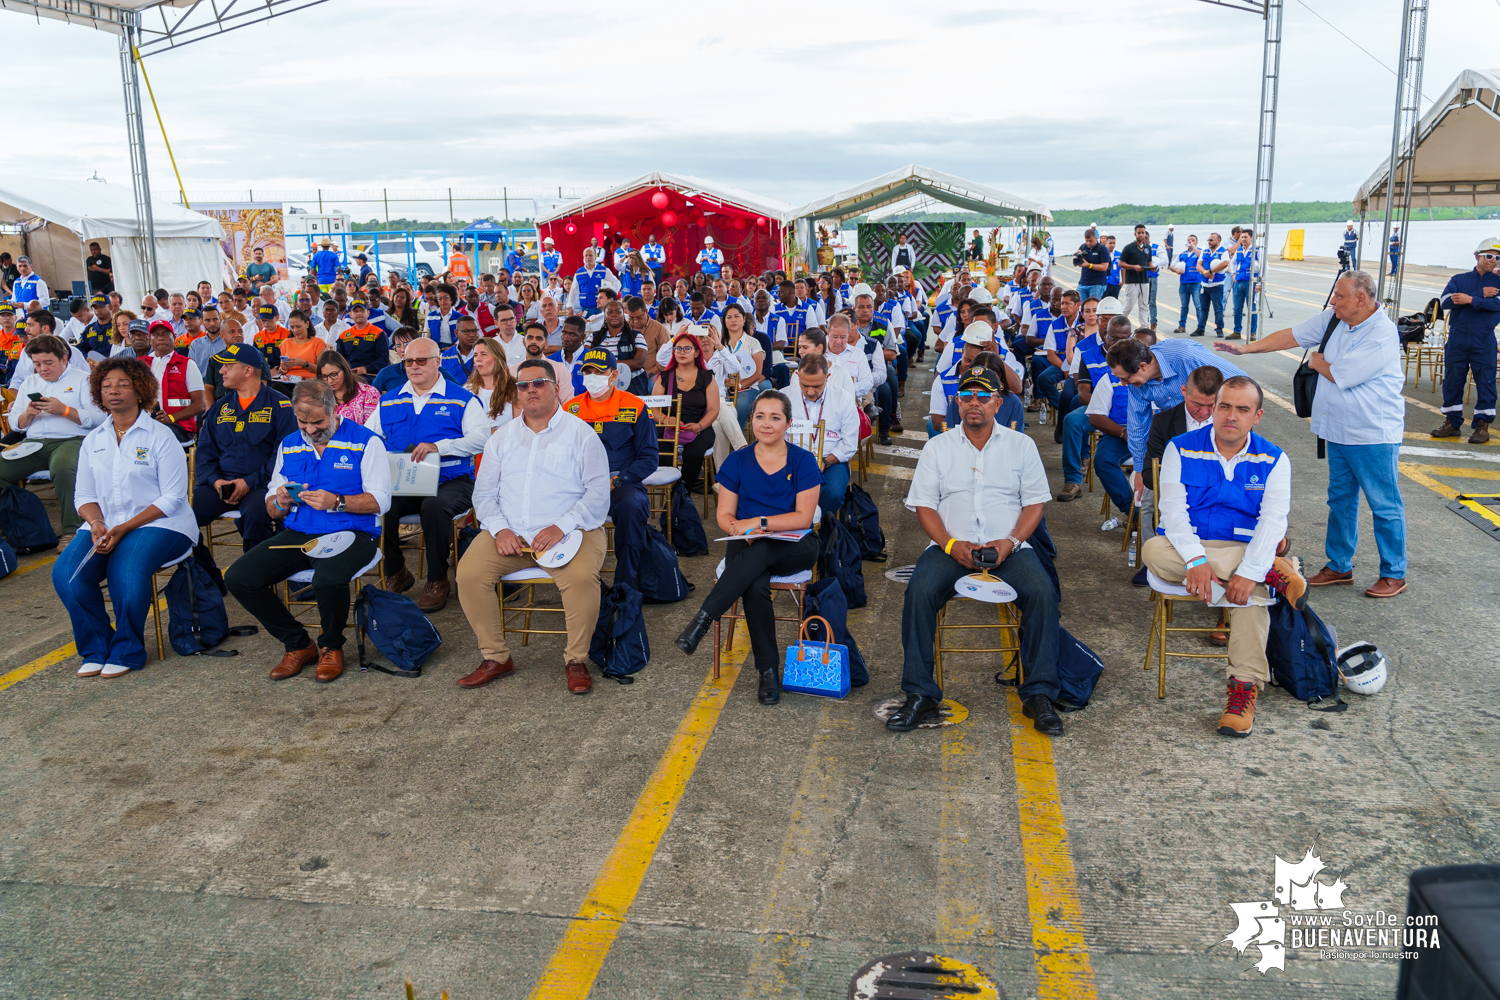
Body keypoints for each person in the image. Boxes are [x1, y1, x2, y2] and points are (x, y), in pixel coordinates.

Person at [891, 365, 1062, 734]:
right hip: (951, 547)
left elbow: (1035, 505)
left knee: (1043, 594)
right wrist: (951, 545)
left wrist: (1011, 541)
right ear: (956, 401)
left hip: (1010, 547)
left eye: (984, 397)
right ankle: (920, 693)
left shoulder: (1022, 445)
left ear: (998, 403)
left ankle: (1039, 694)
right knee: (918, 592)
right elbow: (924, 505)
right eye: (967, 396)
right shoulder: (938, 446)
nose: (975, 403)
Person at [1216, 270, 1408, 597]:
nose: (1333, 301)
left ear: (1361, 298)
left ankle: (1393, 572)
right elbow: (1293, 335)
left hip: (1372, 433)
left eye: (1340, 296)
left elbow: (1338, 373)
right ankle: (1339, 565)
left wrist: (1319, 362)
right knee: (1340, 500)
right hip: (1337, 431)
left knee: (1384, 504)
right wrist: (1248, 350)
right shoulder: (1335, 319)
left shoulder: (1382, 333)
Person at [1142, 376, 1305, 738]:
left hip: (1247, 550)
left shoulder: (1275, 459)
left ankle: (1243, 690)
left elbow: (1273, 522)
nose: (1231, 415)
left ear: (1257, 416)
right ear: (1213, 410)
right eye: (1224, 406)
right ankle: (1273, 572)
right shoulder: (1179, 448)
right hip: (1189, 548)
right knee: (1152, 549)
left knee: (1250, 596)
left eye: (1242, 409)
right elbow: (1172, 512)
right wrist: (1198, 561)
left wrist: (1250, 569)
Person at [454, 357, 610, 693]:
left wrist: (561, 526)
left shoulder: (581, 434)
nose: (530, 390)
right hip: (512, 533)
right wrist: (500, 528)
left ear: (556, 388)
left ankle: (576, 660)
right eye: (523, 385)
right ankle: (496, 657)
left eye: (539, 383)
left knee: (581, 578)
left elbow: (598, 495)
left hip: (572, 532)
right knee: (468, 574)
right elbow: (483, 494)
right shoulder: (502, 438)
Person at [225, 379, 392, 684]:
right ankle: (299, 645)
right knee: (239, 577)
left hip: (354, 532)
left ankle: (331, 645)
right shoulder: (289, 443)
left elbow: (381, 500)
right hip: (300, 531)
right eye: (303, 422)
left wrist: (338, 501)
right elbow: (271, 509)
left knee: (328, 579)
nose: (311, 429)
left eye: (318, 422)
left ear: (335, 409)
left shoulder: (366, 441)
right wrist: (280, 500)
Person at [52, 357, 197, 678]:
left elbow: (172, 498)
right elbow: (83, 496)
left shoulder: (161, 436)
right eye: (106, 386)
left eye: (122, 384)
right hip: (106, 525)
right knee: (67, 575)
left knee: (125, 571)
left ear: (141, 389)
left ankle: (128, 649)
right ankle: (97, 648)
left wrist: (124, 528)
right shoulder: (94, 441)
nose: (113, 391)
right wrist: (98, 523)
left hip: (162, 524)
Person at [673, 391, 822, 705]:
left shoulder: (802, 460)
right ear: (750, 420)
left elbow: (803, 516)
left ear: (788, 423)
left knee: (762, 553)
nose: (766, 424)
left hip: (794, 543)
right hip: (746, 542)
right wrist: (738, 528)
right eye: (759, 416)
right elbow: (725, 516)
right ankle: (768, 671)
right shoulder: (738, 460)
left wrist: (760, 524)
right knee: (754, 585)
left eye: (775, 417)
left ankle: (703, 619)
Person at [363, 336, 487, 611]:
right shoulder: (389, 401)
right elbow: (370, 439)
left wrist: (439, 447)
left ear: (438, 363)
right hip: (404, 480)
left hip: (451, 479)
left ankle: (437, 579)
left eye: (421, 360)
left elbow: (483, 438)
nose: (414, 366)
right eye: (409, 361)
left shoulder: (462, 399)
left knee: (434, 507)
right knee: (381, 504)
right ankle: (397, 571)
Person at [191, 343, 297, 590]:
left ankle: (256, 581)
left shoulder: (281, 407)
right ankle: (210, 578)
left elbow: (283, 457)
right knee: (180, 514)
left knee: (257, 514)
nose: (221, 371)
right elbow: (204, 454)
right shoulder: (219, 408)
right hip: (222, 484)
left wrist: (248, 483)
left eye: (228, 365)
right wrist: (216, 481)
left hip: (263, 484)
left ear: (248, 370)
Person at [561, 348, 657, 591]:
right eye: (587, 372)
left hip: (621, 483)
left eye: (599, 372)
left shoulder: (635, 406)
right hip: (578, 486)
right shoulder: (569, 410)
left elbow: (649, 457)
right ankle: (579, 583)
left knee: (631, 507)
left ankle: (625, 587)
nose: (592, 377)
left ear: (613, 375)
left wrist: (618, 480)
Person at [1107, 336, 1247, 500]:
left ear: (1143, 366)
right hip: (1176, 422)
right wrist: (1139, 469)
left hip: (1213, 421)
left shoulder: (1186, 357)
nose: (1123, 384)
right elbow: (1137, 424)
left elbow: (1242, 382)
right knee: (1152, 493)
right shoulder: (1136, 383)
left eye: (1125, 378)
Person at [2, 334, 105, 537]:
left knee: (64, 467)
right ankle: (15, 524)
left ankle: (72, 531)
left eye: (48, 363)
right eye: (37, 364)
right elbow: (15, 423)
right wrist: (27, 415)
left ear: (64, 359)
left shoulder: (83, 379)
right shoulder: (30, 382)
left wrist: (64, 410)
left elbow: (99, 418)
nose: (42, 369)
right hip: (33, 442)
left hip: (72, 440)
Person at [1430, 238, 1500, 443]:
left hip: (1484, 339)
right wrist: (1479, 296)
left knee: (1486, 382)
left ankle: (1482, 426)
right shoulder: (1459, 279)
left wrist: (1469, 300)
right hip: (1458, 338)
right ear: (1477, 256)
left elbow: (1498, 305)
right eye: (1488, 256)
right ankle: (1452, 423)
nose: (1493, 260)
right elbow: (1444, 302)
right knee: (1453, 381)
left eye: (1497, 257)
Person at [786, 352, 860, 513]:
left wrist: (825, 462)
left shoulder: (843, 398)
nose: (811, 392)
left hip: (831, 460)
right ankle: (792, 527)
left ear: (828, 377)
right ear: (797, 376)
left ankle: (821, 531)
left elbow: (849, 443)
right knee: (779, 489)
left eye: (817, 386)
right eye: (805, 385)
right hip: (792, 459)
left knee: (832, 493)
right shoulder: (784, 397)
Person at [651, 330, 720, 493]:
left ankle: (682, 491)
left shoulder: (707, 377)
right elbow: (654, 407)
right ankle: (673, 489)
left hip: (699, 427)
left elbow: (713, 409)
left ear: (697, 352)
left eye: (687, 348)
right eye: (678, 349)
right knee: (661, 453)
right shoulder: (664, 376)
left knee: (694, 453)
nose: (681, 352)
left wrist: (699, 426)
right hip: (669, 425)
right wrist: (665, 419)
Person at [144, 320, 207, 442]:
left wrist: (171, 418)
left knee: (157, 436)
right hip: (146, 424)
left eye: (166, 334)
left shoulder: (187, 364)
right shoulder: (140, 364)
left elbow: (200, 404)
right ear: (149, 339)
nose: (161, 338)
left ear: (174, 337)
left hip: (179, 426)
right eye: (156, 334)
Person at [467, 337, 519, 433]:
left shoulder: (515, 389)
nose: (478, 359)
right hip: (472, 446)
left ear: (498, 358)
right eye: (475, 355)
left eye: (484, 354)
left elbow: (519, 428)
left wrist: (483, 433)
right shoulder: (467, 390)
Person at [317, 349, 382, 424]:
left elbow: (372, 428)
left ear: (345, 370)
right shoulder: (319, 397)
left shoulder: (369, 393)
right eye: (324, 377)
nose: (330, 381)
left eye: (334, 374)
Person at [336, 299, 390, 379]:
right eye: (355, 311)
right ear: (350, 314)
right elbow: (339, 359)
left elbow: (384, 360)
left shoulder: (378, 333)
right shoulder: (343, 335)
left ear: (368, 313)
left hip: (371, 376)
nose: (359, 313)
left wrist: (366, 368)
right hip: (348, 376)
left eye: (362, 310)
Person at [1119, 224, 1156, 329]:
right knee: (1129, 306)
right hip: (1132, 281)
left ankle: (1144, 327)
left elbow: (1149, 262)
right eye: (1139, 233)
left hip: (1144, 281)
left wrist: (1153, 268)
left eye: (1143, 232)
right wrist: (1133, 267)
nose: (1141, 235)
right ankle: (1118, 323)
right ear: (1135, 234)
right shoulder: (1128, 248)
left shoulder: (1147, 248)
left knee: (1144, 306)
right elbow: (1121, 263)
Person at [1229, 229, 1262, 341]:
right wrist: (1233, 274)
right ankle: (1237, 331)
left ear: (1252, 238)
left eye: (1245, 237)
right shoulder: (1239, 250)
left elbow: (1264, 267)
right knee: (1237, 308)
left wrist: (1259, 282)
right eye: (1241, 237)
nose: (1243, 239)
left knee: (1251, 308)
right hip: (1238, 282)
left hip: (1251, 283)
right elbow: (1232, 263)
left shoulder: (1258, 250)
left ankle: (1253, 332)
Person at [1196, 233, 1230, 336]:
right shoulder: (1205, 251)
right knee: (1203, 308)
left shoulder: (1223, 251)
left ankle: (1219, 329)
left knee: (1218, 309)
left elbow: (1225, 263)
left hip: (1217, 285)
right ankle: (1200, 328)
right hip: (1204, 285)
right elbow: (1198, 265)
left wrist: (1211, 271)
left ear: (1218, 240)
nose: (1209, 242)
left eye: (1212, 240)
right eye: (1208, 240)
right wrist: (1205, 272)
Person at [1171, 235, 1204, 335]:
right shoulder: (1182, 254)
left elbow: (1201, 256)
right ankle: (1182, 325)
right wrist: (1176, 269)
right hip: (1184, 283)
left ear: (1197, 242)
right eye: (1189, 240)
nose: (1190, 242)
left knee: (1198, 305)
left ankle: (1200, 326)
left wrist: (1194, 247)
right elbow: (1171, 265)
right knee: (1184, 306)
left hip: (1196, 282)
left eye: (1193, 240)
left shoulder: (1200, 252)